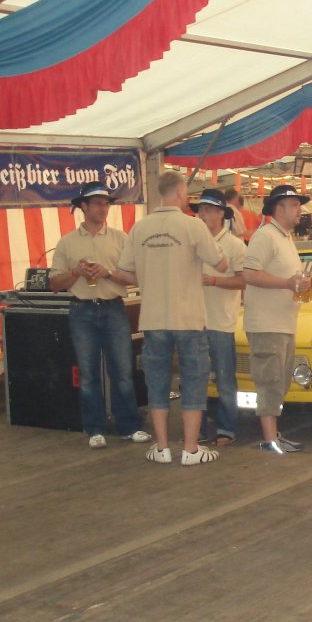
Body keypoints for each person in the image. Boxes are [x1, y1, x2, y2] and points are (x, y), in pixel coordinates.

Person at [113, 170, 228, 466]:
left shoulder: (139, 228)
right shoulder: (193, 225)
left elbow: (123, 273)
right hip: (188, 317)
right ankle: (191, 449)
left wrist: (150, 276)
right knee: (193, 381)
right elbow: (221, 262)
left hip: (153, 318)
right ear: (179, 193)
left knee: (157, 383)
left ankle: (162, 447)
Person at [50, 184, 150, 449]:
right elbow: (54, 284)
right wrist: (75, 272)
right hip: (81, 309)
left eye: (106, 203)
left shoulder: (120, 238)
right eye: (97, 203)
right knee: (88, 373)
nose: (103, 208)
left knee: (123, 371)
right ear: (83, 206)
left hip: (113, 307)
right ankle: (94, 428)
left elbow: (136, 277)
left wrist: (108, 273)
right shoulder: (67, 242)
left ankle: (129, 426)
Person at [242, 185, 312, 455]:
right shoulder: (265, 236)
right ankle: (269, 439)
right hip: (267, 323)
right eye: (294, 205)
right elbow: (249, 273)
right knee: (270, 381)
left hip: (282, 322)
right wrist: (287, 283)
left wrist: (299, 285)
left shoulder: (284, 237)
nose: (299, 210)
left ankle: (273, 435)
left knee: (280, 381)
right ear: (278, 208)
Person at [191, 188, 247, 447]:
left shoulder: (235, 245)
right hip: (193, 321)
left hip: (222, 322)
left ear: (222, 214)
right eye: (200, 210)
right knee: (195, 379)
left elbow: (243, 281)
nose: (202, 214)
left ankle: (227, 430)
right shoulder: (193, 243)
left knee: (225, 379)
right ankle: (197, 430)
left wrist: (213, 280)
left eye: (208, 209)